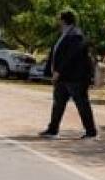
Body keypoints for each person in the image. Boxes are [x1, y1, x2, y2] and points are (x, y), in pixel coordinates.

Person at [39, 11, 98, 140]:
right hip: (64, 78)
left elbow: (70, 56)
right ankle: (53, 129)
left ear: (64, 20)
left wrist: (58, 71)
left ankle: (91, 131)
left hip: (75, 77)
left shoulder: (75, 35)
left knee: (82, 104)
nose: (57, 22)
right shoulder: (64, 34)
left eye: (59, 19)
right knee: (58, 104)